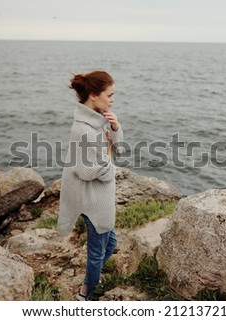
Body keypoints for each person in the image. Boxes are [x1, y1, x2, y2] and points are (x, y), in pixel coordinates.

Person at [57, 70, 124, 301]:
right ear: (94, 95)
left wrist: (116, 130)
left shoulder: (99, 120)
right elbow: (87, 171)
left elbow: (120, 152)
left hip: (101, 198)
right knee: (97, 252)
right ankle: (85, 292)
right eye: (110, 94)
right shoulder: (84, 129)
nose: (113, 99)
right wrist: (107, 155)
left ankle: (90, 278)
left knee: (111, 242)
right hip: (92, 200)